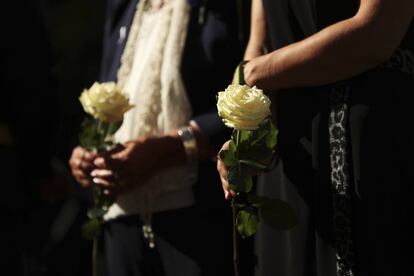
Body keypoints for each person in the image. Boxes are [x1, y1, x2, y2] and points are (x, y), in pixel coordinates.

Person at [217, 0, 414, 275]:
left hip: (367, 144)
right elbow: (260, 44)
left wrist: (252, 74)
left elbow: (377, 30)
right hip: (291, 152)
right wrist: (249, 128)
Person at [69, 0, 249, 275]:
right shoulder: (123, 7)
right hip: (122, 218)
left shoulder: (226, 8)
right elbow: (111, 90)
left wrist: (174, 147)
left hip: (198, 218)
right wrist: (89, 153)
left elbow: (250, 97)